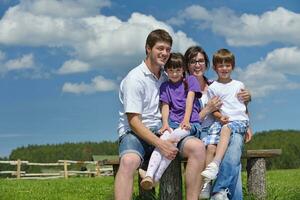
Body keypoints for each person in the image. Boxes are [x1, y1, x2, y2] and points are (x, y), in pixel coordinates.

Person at [115, 29, 206, 200]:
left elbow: (194, 85)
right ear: (148, 48)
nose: (164, 53)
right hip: (136, 133)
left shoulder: (168, 76)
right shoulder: (135, 78)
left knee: (198, 148)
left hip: (167, 128)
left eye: (168, 49)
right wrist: (161, 144)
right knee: (128, 162)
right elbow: (133, 121)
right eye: (160, 48)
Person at [184, 46, 252, 200]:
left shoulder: (214, 85)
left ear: (207, 64)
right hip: (200, 134)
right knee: (231, 153)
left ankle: (219, 191)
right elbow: (185, 122)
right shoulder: (183, 88)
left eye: (200, 61)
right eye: (192, 61)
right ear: (186, 65)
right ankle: (216, 190)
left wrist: (249, 125)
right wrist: (207, 109)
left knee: (233, 148)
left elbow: (237, 106)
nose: (197, 64)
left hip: (224, 128)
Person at [140, 52, 202, 190]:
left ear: (183, 69)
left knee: (169, 141)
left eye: (178, 70)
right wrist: (166, 124)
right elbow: (166, 106)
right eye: (171, 70)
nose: (174, 73)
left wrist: (186, 120)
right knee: (165, 139)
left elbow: (190, 100)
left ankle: (155, 177)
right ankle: (150, 176)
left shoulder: (190, 80)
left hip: (190, 123)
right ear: (166, 71)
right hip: (173, 123)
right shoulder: (165, 86)